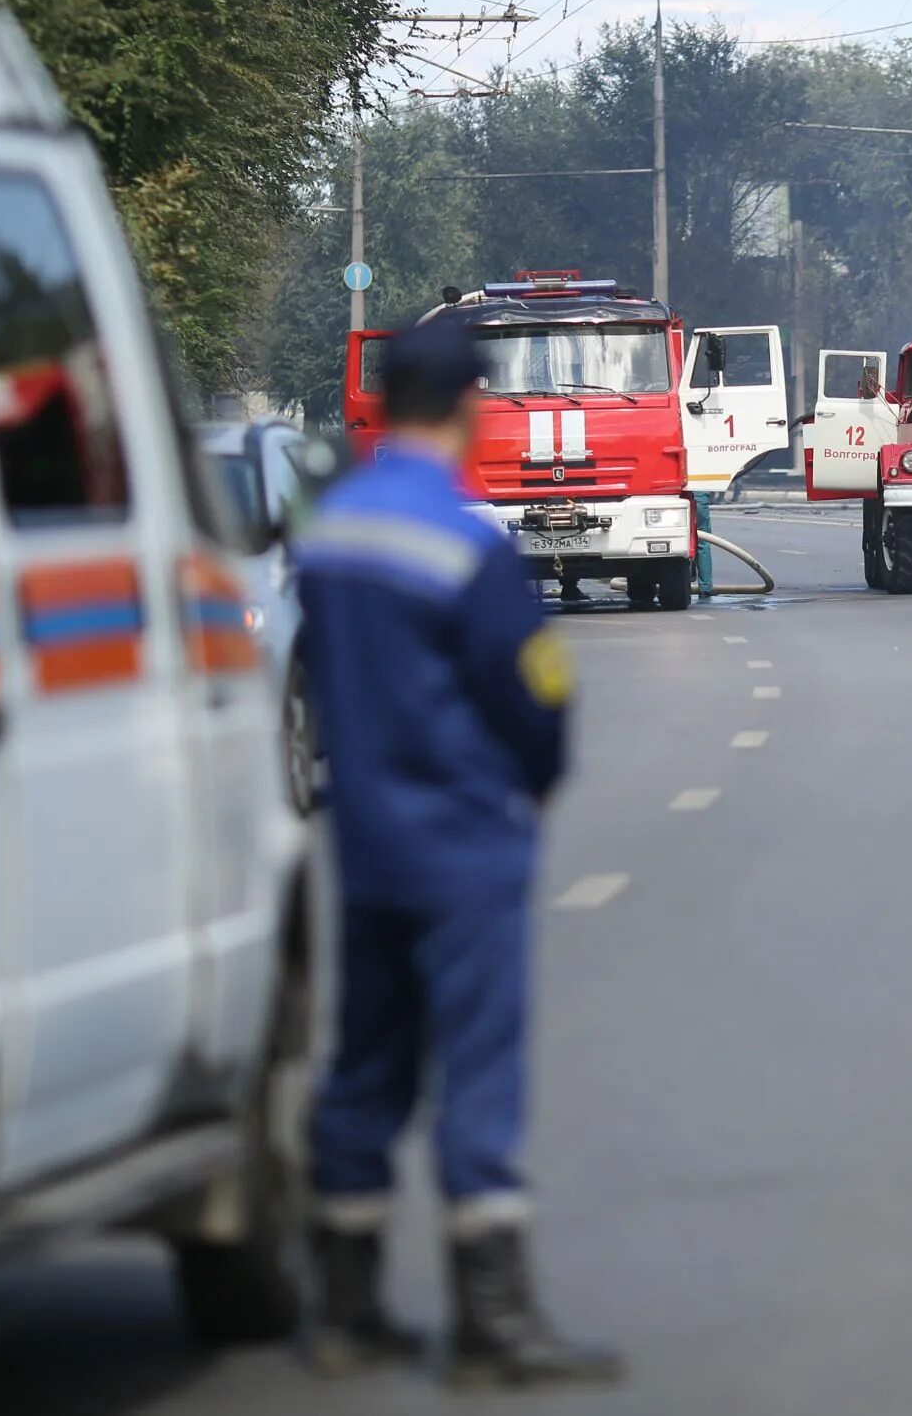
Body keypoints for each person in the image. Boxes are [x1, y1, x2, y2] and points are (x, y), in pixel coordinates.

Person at [294, 315, 622, 1389]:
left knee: (364, 1066)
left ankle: (345, 1306)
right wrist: (535, 779)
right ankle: (492, 1321)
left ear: (383, 402)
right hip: (465, 843)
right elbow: (536, 695)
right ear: (474, 405)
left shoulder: (331, 530)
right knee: (475, 1074)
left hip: (367, 842)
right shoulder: (466, 541)